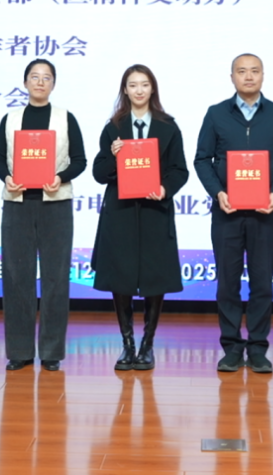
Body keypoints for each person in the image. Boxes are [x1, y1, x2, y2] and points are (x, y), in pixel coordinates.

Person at [194, 54, 273, 373]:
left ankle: (257, 348)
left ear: (263, 76)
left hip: (265, 214)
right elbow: (202, 159)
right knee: (227, 283)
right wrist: (218, 192)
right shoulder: (216, 114)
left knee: (262, 282)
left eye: (255, 71)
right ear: (232, 77)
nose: (249, 76)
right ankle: (231, 347)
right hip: (226, 213)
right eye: (242, 71)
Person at [91, 65, 190, 371]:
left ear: (152, 89)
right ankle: (127, 345)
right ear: (125, 90)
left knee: (154, 277)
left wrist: (164, 189)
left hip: (154, 211)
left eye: (144, 84)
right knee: (120, 277)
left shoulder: (168, 127)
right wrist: (113, 155)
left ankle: (147, 344)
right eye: (132, 85)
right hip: (120, 213)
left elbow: (180, 170)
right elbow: (98, 173)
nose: (138, 90)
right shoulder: (113, 127)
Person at [0, 59, 87, 372]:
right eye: (35, 76)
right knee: (17, 277)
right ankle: (19, 351)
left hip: (55, 205)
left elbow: (80, 160)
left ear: (53, 84)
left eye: (46, 77)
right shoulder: (10, 118)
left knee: (56, 279)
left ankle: (51, 352)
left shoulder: (65, 118)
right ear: (25, 82)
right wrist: (6, 177)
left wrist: (60, 176)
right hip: (17, 204)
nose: (40, 82)